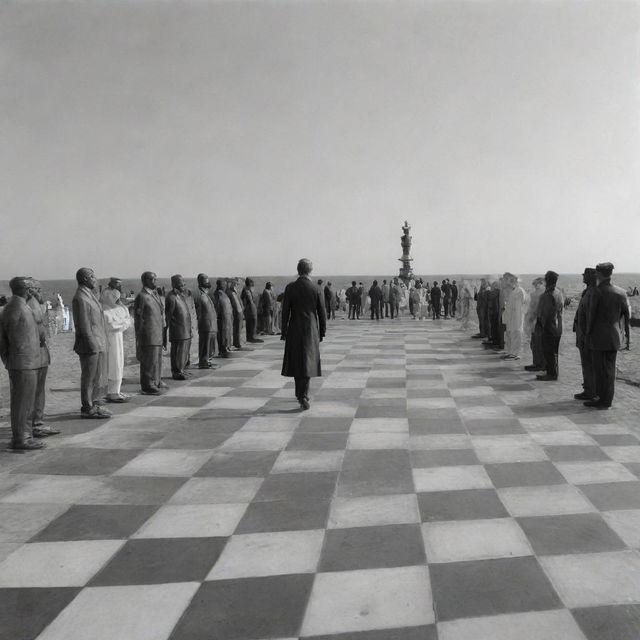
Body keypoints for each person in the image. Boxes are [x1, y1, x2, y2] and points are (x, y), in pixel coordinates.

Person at [0, 277, 46, 449]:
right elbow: (8, 341)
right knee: (23, 402)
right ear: (25, 290)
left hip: (25, 362)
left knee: (25, 401)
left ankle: (24, 435)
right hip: (23, 362)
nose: (33, 291)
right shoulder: (16, 308)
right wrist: (11, 360)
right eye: (30, 289)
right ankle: (22, 438)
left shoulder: (18, 306)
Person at [280, 258, 326, 410]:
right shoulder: (316, 288)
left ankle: (300, 394)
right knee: (307, 362)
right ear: (310, 270)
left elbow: (285, 311)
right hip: (311, 329)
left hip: (294, 328)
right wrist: (322, 331)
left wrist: (284, 330)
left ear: (298, 270)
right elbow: (322, 313)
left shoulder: (290, 287)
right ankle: (303, 395)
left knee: (296, 361)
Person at [584, 262, 630, 409]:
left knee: (600, 370)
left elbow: (591, 315)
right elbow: (626, 317)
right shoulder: (621, 292)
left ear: (598, 273)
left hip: (599, 337)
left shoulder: (597, 291)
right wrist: (626, 336)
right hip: (614, 336)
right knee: (610, 370)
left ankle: (602, 400)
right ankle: (607, 399)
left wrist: (587, 333)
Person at [72, 268, 111, 418]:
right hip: (90, 345)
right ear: (86, 279)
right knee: (88, 377)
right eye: (93, 276)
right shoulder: (80, 297)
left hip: (98, 342)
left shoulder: (90, 295)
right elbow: (83, 325)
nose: (96, 279)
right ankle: (87, 406)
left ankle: (94, 403)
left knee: (96, 376)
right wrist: (92, 344)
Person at [134, 271, 167, 395]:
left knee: (157, 359)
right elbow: (138, 318)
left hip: (157, 332)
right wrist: (141, 336)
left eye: (155, 279)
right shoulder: (141, 296)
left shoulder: (154, 294)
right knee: (149, 360)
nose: (155, 282)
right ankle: (148, 384)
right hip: (148, 334)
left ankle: (157, 380)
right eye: (152, 279)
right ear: (145, 281)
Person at [100, 277, 133, 402]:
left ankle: (116, 390)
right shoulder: (105, 309)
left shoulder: (118, 307)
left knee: (118, 364)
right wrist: (124, 322)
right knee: (112, 365)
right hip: (110, 340)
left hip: (117, 339)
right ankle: (112, 392)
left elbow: (126, 320)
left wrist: (123, 322)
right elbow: (113, 325)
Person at [572, 268, 598, 401]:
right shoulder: (587, 291)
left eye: (585, 275)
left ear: (592, 277)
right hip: (582, 333)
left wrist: (586, 335)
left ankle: (591, 391)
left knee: (589, 364)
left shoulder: (593, 292)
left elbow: (590, 316)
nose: (583, 277)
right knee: (586, 363)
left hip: (587, 335)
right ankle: (588, 388)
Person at [535, 270, 564, 381]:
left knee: (548, 351)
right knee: (554, 351)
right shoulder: (558, 292)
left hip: (549, 327)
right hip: (557, 326)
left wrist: (540, 326)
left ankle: (551, 373)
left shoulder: (548, 295)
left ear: (547, 280)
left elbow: (545, 314)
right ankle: (553, 372)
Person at [164, 275, 192, 380]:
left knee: (183, 352)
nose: (183, 285)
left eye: (183, 283)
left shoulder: (180, 296)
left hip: (185, 330)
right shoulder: (171, 297)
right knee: (177, 352)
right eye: (181, 283)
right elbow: (168, 317)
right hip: (178, 331)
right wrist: (165, 333)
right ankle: (176, 372)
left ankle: (181, 370)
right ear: (174, 284)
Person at [194, 273, 218, 368]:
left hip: (211, 325)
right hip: (205, 325)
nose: (208, 282)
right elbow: (198, 311)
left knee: (210, 345)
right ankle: (203, 362)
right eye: (205, 280)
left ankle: (207, 360)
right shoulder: (199, 295)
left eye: (208, 280)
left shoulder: (206, 294)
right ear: (200, 282)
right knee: (205, 345)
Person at [524, 277, 546, 372]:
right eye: (535, 285)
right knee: (534, 343)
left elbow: (537, 309)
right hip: (533, 322)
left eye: (538, 284)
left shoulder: (543, 294)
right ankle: (536, 362)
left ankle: (540, 364)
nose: (536, 286)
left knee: (538, 344)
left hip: (539, 322)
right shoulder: (534, 294)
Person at [502, 274, 526, 360]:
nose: (511, 283)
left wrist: (517, 319)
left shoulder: (519, 291)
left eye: (513, 281)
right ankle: (510, 352)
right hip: (510, 317)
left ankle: (516, 353)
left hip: (517, 317)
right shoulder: (513, 291)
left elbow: (519, 308)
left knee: (516, 334)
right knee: (509, 334)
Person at [213, 279, 234, 357]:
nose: (224, 286)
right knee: (222, 333)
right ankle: (222, 349)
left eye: (225, 285)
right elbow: (217, 306)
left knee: (227, 332)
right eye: (223, 285)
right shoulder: (218, 293)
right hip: (222, 317)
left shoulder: (224, 294)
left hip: (227, 316)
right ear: (219, 285)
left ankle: (227, 346)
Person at [241, 278, 262, 344]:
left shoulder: (249, 291)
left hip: (252, 310)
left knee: (253, 323)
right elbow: (244, 302)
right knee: (251, 323)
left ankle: (253, 336)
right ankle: (250, 337)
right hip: (249, 311)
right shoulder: (245, 291)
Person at [227, 280, 245, 350]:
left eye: (237, 285)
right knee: (236, 327)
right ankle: (236, 342)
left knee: (239, 327)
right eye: (235, 285)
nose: (236, 286)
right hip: (236, 312)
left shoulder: (236, 293)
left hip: (240, 311)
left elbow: (239, 301)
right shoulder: (230, 292)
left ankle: (237, 341)